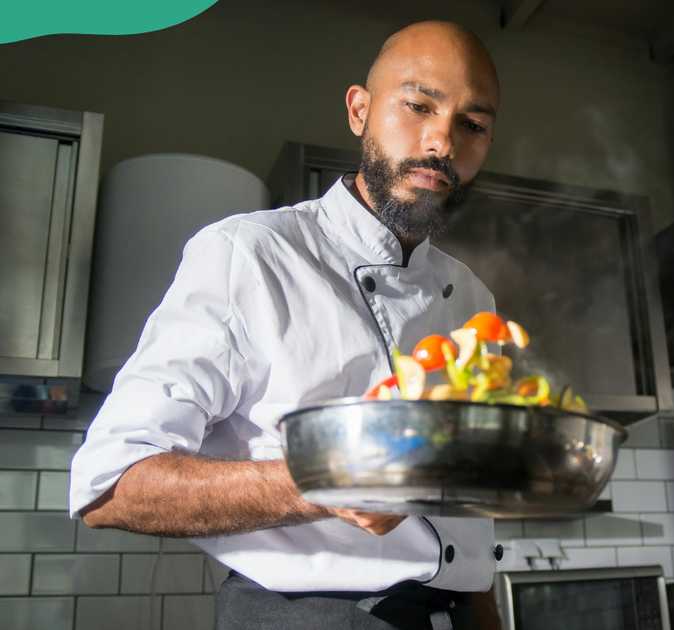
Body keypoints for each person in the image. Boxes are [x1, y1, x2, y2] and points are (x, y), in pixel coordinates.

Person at [69, 20, 505, 630]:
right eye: (418, 105)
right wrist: (323, 482)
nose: (441, 140)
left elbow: (465, 527)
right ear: (360, 110)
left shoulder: (476, 299)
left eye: (473, 124)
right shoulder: (248, 254)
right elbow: (110, 484)